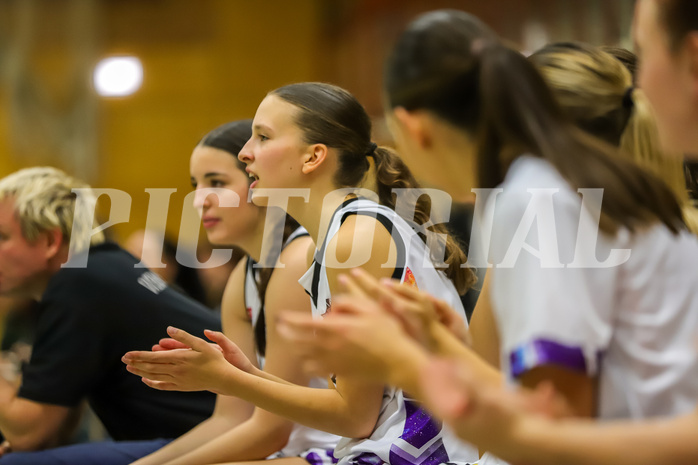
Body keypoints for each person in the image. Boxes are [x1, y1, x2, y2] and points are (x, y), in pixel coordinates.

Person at [275, 6, 698, 463]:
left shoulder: (536, 196)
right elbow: (553, 409)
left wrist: (409, 365)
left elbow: (553, 431)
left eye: (647, 48)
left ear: (413, 127)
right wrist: (444, 347)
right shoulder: (545, 187)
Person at [123, 82, 483, 465]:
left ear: (313, 157)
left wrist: (229, 380)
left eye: (262, 137)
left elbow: (354, 417)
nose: (246, 153)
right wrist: (248, 374)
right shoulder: (342, 234)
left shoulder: (353, 240)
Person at [130, 120, 339, 465]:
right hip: (286, 450)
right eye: (196, 185)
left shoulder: (295, 261)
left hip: (332, 450)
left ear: (259, 182)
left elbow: (271, 429)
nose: (200, 200)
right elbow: (231, 417)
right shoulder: (243, 275)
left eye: (217, 183)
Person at [0, 167, 219, 460]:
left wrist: (29, 439)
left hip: (211, 440)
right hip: (209, 432)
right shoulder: (104, 267)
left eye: (2, 237)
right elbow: (50, 422)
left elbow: (27, 431)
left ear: (50, 241)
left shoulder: (78, 282)